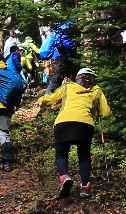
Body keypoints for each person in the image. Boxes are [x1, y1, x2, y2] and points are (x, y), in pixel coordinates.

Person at [28, 65, 112, 200]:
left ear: (77, 78)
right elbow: (106, 113)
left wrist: (40, 100)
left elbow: (51, 98)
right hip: (85, 124)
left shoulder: (68, 86)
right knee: (84, 155)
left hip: (63, 123)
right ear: (93, 79)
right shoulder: (97, 91)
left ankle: (65, 176)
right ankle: (85, 187)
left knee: (61, 153)